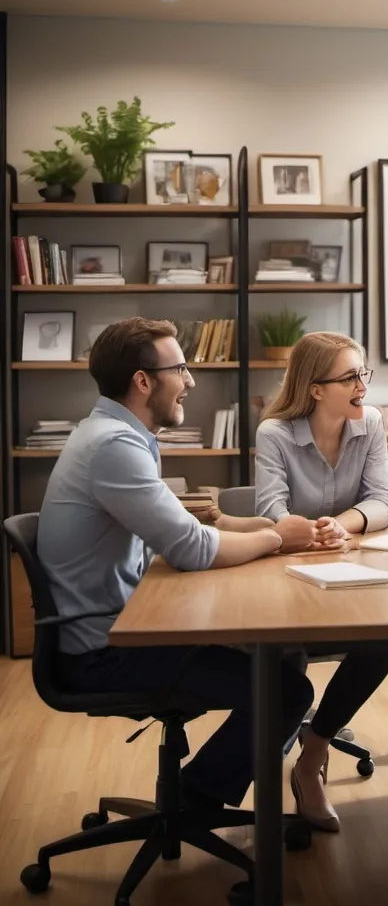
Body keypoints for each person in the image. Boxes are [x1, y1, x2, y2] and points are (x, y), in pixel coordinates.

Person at [37, 317, 338, 812]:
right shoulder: (115, 446)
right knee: (285, 690)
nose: (190, 380)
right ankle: (195, 801)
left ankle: (198, 793)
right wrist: (276, 537)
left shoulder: (113, 433)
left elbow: (188, 528)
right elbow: (193, 549)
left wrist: (264, 529)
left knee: (281, 654)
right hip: (103, 651)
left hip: (122, 624)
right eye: (180, 368)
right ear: (143, 380)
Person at [255, 331, 388, 832]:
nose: (362, 385)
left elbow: (385, 500)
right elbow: (270, 511)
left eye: (364, 374)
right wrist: (305, 532)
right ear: (316, 389)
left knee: (384, 640)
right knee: (285, 658)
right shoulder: (275, 432)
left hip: (350, 569)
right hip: (287, 577)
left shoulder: (372, 423)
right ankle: (268, 772)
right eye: (350, 377)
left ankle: (313, 752)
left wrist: (348, 523)